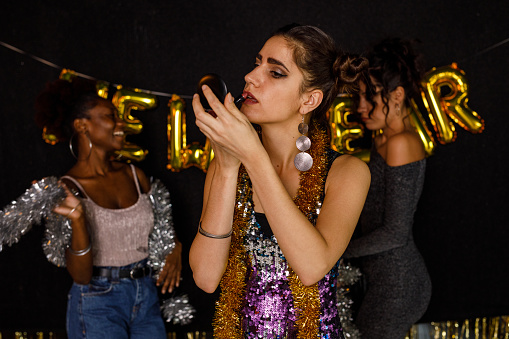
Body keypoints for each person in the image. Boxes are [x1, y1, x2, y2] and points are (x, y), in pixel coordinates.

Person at [189, 24, 371, 338]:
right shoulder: (226, 162)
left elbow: (312, 267)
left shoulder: (347, 172)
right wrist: (229, 168)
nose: (250, 76)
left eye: (275, 72)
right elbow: (206, 278)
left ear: (309, 100)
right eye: (257, 63)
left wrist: (253, 154)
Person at [34, 78, 182, 338]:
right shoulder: (67, 190)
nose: (121, 124)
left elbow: (162, 225)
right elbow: (80, 276)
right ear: (82, 125)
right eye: (110, 116)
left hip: (146, 295)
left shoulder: (135, 175)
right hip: (97, 301)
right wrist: (78, 219)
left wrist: (175, 247)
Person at [343, 38, 432, 338]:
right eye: (359, 97)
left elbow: (395, 232)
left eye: (371, 97)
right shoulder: (384, 139)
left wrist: (337, 251)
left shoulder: (401, 143)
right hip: (384, 280)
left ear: (397, 95)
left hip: (399, 284)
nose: (361, 107)